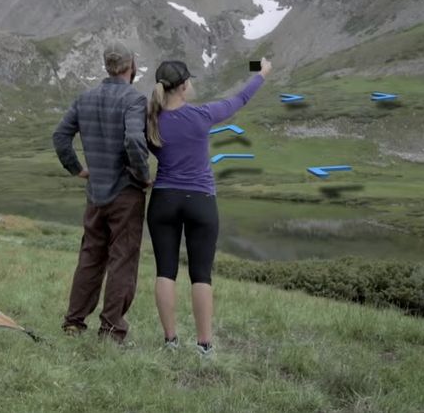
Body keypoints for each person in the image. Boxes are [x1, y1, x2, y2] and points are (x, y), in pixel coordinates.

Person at [144, 58, 270, 357]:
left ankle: (171, 342)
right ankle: (203, 347)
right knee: (201, 275)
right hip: (201, 201)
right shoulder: (202, 115)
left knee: (165, 272)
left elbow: (137, 149)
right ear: (184, 85)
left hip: (163, 199)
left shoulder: (149, 120)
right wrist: (262, 73)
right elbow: (239, 99)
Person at [52, 42, 151, 344]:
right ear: (130, 66)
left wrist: (78, 169)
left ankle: (73, 322)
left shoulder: (85, 98)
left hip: (95, 194)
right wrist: (143, 175)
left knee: (91, 256)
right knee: (122, 259)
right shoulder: (134, 99)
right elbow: (134, 140)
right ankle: (111, 330)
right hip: (125, 193)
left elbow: (60, 136)